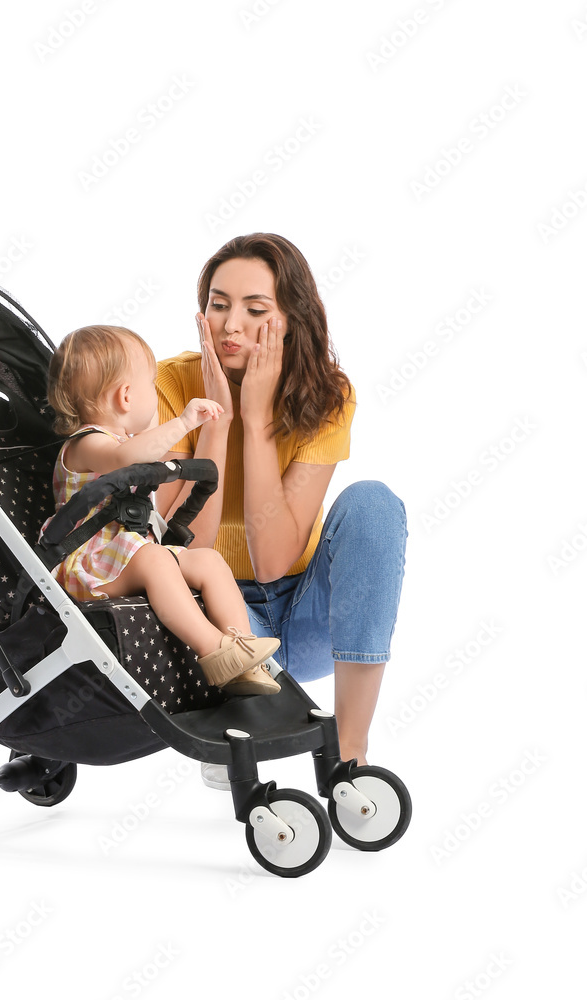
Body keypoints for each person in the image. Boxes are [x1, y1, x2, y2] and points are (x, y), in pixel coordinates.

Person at [155, 234, 407, 775]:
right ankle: (237, 709)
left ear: (291, 317)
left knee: (373, 503)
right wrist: (218, 422)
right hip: (220, 620)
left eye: (255, 310)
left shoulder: (328, 393)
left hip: (307, 615)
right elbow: (188, 544)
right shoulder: (172, 383)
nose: (230, 326)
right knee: (181, 567)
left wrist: (260, 418)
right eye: (218, 305)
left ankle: (349, 754)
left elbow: (272, 560)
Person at [44, 324, 282, 695]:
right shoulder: (87, 444)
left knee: (207, 560)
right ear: (126, 396)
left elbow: (139, 447)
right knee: (155, 559)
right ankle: (214, 651)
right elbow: (126, 458)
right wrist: (184, 422)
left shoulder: (126, 440)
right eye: (151, 387)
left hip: (127, 554)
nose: (156, 396)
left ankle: (243, 648)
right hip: (92, 564)